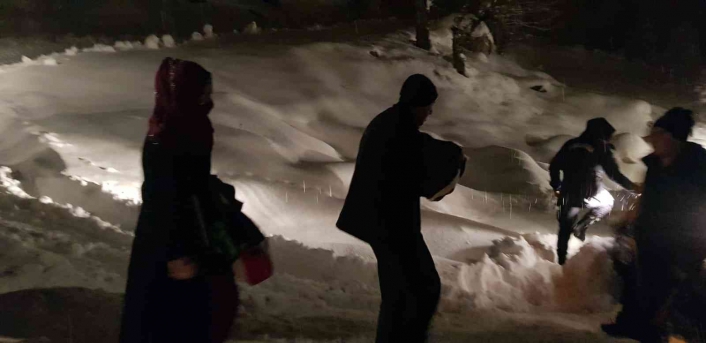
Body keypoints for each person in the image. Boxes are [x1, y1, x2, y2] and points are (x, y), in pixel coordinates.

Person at [120, 58, 238, 343]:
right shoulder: (168, 132)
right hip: (171, 238)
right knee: (174, 316)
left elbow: (190, 178)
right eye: (203, 90)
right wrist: (176, 252)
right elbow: (162, 192)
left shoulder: (191, 124)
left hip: (193, 229)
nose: (208, 97)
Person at [337, 74, 441, 343]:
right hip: (390, 226)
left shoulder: (390, 122)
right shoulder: (397, 129)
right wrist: (450, 157)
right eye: (428, 105)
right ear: (416, 102)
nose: (430, 112)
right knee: (424, 288)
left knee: (400, 295)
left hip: (386, 224)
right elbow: (415, 166)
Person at [603, 108, 706, 342]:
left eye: (657, 135)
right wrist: (629, 222)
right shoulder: (656, 165)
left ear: (671, 136)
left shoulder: (698, 165)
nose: (652, 141)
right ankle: (633, 324)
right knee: (638, 280)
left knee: (675, 288)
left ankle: (671, 330)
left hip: (686, 239)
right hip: (651, 234)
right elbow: (645, 195)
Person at [550, 118, 637, 265]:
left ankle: (561, 260)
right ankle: (581, 226)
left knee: (565, 227)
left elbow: (554, 166)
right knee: (607, 202)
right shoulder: (601, 148)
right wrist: (633, 187)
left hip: (568, 192)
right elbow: (614, 174)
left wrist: (557, 186)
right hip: (591, 193)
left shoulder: (570, 144)